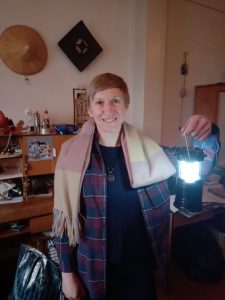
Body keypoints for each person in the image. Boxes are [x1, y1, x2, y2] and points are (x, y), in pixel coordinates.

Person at [52, 73, 220, 300]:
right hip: (91, 267)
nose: (108, 109)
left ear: (126, 105)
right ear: (90, 109)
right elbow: (62, 222)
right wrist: (67, 274)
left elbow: (203, 166)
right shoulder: (71, 155)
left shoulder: (150, 151)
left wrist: (207, 136)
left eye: (116, 101)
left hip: (138, 265)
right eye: (100, 102)